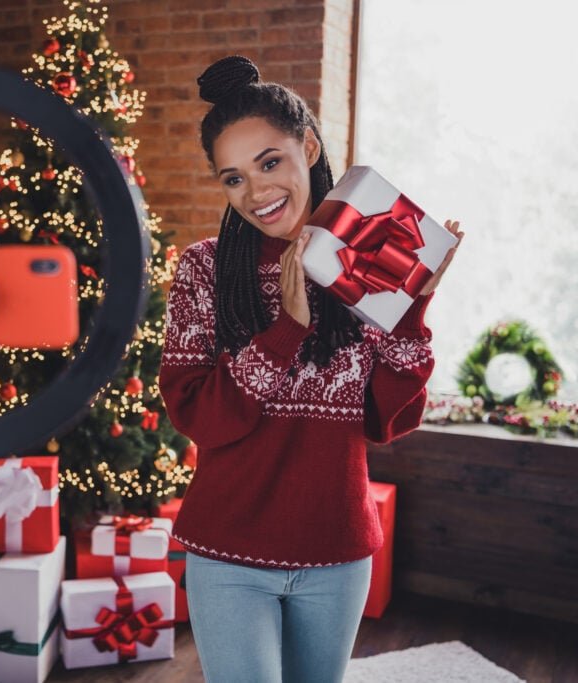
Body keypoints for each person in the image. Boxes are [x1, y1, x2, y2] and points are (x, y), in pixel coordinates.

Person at [158, 55, 464, 682]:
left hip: (338, 553)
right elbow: (197, 415)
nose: (256, 192)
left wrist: (411, 308)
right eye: (233, 178)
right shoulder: (204, 268)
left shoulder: (368, 254)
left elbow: (389, 419)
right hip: (229, 552)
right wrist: (286, 330)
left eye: (269, 162)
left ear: (309, 146)